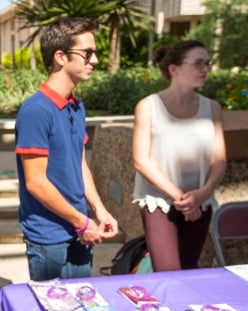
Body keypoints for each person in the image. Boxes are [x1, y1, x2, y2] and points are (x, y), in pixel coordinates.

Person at [15, 17, 119, 281]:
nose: (94, 60)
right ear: (60, 57)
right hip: (49, 237)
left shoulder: (76, 106)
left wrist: (99, 209)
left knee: (82, 309)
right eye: (87, 53)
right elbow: (36, 183)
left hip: (80, 228)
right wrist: (81, 222)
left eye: (94, 53)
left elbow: (79, 164)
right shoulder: (36, 111)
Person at [132, 40, 227, 272]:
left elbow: (219, 159)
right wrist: (182, 198)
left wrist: (202, 194)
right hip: (160, 203)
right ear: (173, 69)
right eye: (198, 63)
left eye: (207, 63)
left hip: (200, 203)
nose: (205, 69)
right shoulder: (148, 106)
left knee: (188, 269)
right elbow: (140, 161)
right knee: (168, 273)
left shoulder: (212, 108)